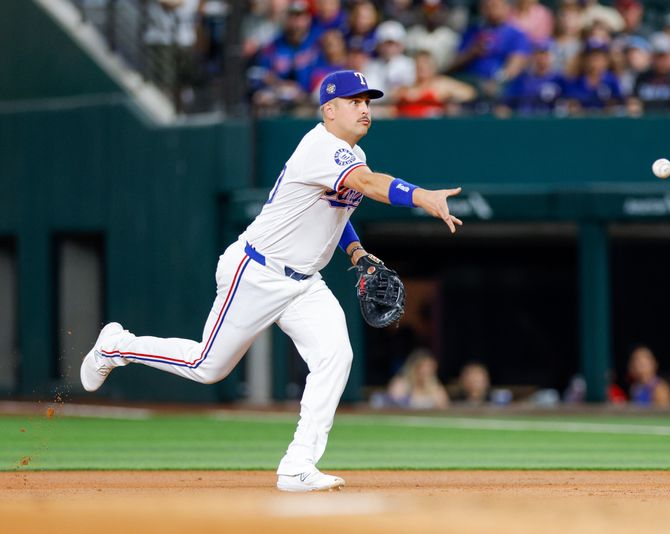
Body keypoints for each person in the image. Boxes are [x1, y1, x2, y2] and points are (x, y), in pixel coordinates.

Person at [80, 69, 463, 492]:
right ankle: (117, 345)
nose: (364, 109)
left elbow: (340, 211)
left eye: (368, 102)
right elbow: (369, 186)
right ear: (329, 109)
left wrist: (355, 252)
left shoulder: (350, 156)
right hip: (257, 272)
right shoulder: (322, 146)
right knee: (207, 367)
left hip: (304, 283)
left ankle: (298, 465)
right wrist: (423, 196)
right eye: (354, 101)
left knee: (335, 357)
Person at [248, 0, 320, 114]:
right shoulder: (274, 45)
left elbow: (328, 70)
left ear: (308, 19)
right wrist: (277, 83)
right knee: (261, 99)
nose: (296, 22)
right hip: (279, 96)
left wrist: (302, 91)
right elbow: (257, 74)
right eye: (291, 16)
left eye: (300, 16)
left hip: (309, 101)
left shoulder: (318, 42)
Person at [449, 0, 532, 96]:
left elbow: (514, 66)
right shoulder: (472, 31)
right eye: (486, 6)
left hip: (501, 87)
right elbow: (453, 64)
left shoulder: (517, 35)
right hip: (469, 83)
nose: (489, 9)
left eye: (494, 6)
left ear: (507, 8)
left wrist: (497, 81)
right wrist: (472, 51)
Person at [394, 50, 477, 117]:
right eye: (419, 65)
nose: (422, 67)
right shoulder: (407, 85)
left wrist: (449, 96)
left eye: (425, 64)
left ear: (433, 67)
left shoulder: (441, 84)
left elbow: (469, 92)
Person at [627, 32, 670, 115]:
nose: (662, 60)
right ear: (652, 57)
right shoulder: (642, 77)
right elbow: (634, 104)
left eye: (665, 56)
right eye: (658, 56)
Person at [500, 38, 565, 115]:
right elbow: (506, 103)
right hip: (524, 122)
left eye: (546, 54)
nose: (541, 58)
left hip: (549, 123)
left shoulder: (559, 79)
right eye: (538, 53)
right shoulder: (522, 78)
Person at [563, 39, 623, 114]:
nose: (595, 60)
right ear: (584, 59)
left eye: (599, 56)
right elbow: (571, 106)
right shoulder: (574, 80)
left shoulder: (612, 80)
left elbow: (616, 107)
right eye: (591, 56)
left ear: (606, 59)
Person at [386, 349, 451, 409]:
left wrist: (432, 388)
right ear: (414, 367)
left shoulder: (435, 387)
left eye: (430, 367)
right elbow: (393, 405)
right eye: (424, 366)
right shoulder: (401, 384)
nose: (427, 371)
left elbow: (444, 406)